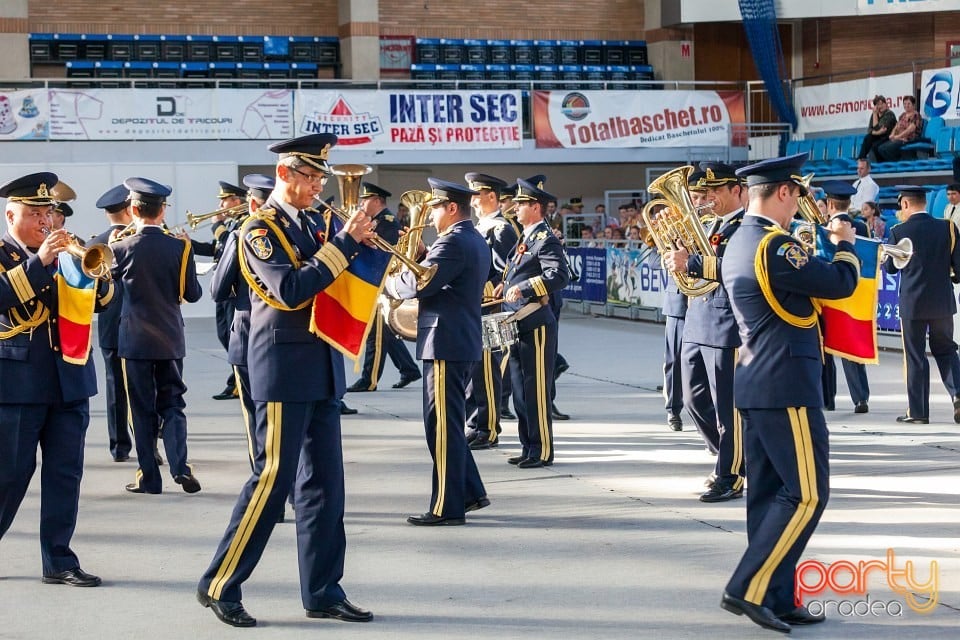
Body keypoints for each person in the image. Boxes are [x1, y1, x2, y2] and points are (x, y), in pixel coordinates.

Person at [197, 133, 376, 628]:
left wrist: (356, 244)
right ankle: (219, 583)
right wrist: (343, 245)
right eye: (310, 177)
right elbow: (289, 290)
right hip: (280, 368)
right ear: (284, 174)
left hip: (320, 365)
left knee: (325, 487)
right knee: (272, 480)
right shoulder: (258, 228)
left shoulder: (314, 223)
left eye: (322, 177)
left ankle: (323, 590)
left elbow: (334, 280)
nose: (319, 186)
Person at [719, 153, 859, 632]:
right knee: (806, 494)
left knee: (768, 495)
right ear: (783, 192)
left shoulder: (739, 240)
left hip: (757, 382)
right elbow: (839, 283)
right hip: (786, 385)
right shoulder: (776, 247)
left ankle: (776, 596)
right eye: (797, 195)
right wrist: (844, 244)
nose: (799, 204)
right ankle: (746, 587)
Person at [0, 171, 116, 588]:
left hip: (70, 378)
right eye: (34, 214)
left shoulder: (69, 251)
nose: (44, 222)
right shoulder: (4, 254)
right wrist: (39, 262)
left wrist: (94, 272)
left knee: (65, 475)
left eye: (47, 213)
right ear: (11, 215)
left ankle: (59, 560)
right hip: (17, 383)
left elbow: (103, 302)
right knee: (10, 474)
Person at [384, 178, 490, 525]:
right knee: (447, 423)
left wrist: (389, 281)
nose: (430, 217)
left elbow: (415, 286)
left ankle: (447, 507)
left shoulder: (453, 242)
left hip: (446, 341)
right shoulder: (470, 239)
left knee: (441, 426)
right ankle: (471, 491)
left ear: (452, 208)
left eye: (435, 209)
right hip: (455, 338)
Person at [110, 177, 203, 495]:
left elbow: (104, 295)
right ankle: (181, 467)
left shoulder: (118, 248)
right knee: (174, 404)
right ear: (162, 211)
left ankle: (149, 477)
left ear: (133, 209)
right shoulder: (181, 246)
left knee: (140, 408)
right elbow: (192, 294)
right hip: (170, 337)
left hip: (134, 339)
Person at [663, 162, 745, 502]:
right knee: (694, 399)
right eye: (704, 193)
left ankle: (730, 472)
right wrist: (672, 250)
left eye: (715, 192)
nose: (707, 198)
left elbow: (737, 269)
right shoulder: (707, 224)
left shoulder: (744, 227)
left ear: (736, 191)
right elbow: (682, 263)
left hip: (725, 322)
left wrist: (691, 262)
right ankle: (735, 459)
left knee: (728, 408)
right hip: (697, 318)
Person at [497, 178, 570, 468]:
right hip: (517, 321)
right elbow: (514, 270)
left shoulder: (546, 238)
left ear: (535, 207)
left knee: (535, 388)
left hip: (536, 322)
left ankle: (541, 450)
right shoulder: (526, 236)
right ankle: (528, 446)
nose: (515, 208)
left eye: (522, 203)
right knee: (519, 388)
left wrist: (526, 287)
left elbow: (559, 275)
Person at [210, 174, 272, 470]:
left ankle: (265, 485)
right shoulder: (304, 231)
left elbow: (217, 290)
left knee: (256, 421)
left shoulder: (242, 233)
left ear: (251, 202)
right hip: (290, 342)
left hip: (249, 335)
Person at [884, 185, 960, 424]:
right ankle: (958, 394)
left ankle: (917, 412)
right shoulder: (947, 227)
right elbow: (958, 269)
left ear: (905, 204)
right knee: (946, 350)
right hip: (941, 301)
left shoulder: (898, 231)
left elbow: (889, 268)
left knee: (915, 356)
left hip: (913, 303)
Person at [346, 182, 421, 393]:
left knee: (375, 334)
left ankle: (368, 379)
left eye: (365, 199)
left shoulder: (387, 222)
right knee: (385, 333)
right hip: (376, 282)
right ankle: (409, 369)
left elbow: (386, 254)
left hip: (382, 283)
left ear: (377, 201)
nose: (361, 203)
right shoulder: (377, 221)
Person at [463, 172, 517, 450]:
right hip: (478, 307)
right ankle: (476, 423)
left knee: (487, 370)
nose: (472, 201)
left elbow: (510, 269)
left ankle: (488, 428)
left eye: (476, 195)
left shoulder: (501, 229)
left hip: (493, 309)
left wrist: (499, 285)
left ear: (491, 196)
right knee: (476, 371)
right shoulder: (483, 226)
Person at [819, 181, 871, 413]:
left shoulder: (822, 228)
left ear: (829, 203)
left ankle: (827, 398)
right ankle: (860, 398)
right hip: (853, 292)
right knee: (851, 345)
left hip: (827, 292)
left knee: (825, 349)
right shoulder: (860, 226)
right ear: (849, 204)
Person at [92, 184, 133, 462]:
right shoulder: (141, 238)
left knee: (115, 386)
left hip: (108, 324)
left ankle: (119, 446)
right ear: (130, 209)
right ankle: (148, 444)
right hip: (141, 324)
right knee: (146, 387)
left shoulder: (92, 245)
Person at [208, 181, 247, 400]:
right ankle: (235, 380)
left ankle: (236, 383)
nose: (221, 204)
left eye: (225, 199)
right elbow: (216, 249)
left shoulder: (241, 222)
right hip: (223, 288)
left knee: (233, 339)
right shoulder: (231, 223)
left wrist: (217, 226)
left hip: (235, 289)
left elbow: (229, 243)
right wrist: (186, 244)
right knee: (224, 334)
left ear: (236, 201)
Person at [876, 95, 921, 162]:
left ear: (913, 105)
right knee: (880, 148)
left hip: (908, 139)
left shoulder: (916, 115)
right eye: (905, 104)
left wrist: (898, 137)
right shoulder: (902, 115)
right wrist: (892, 134)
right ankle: (896, 162)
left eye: (909, 104)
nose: (906, 105)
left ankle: (898, 163)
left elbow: (911, 129)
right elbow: (896, 126)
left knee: (888, 149)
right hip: (898, 138)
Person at [858, 95, 897, 161]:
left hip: (888, 136)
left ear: (886, 104)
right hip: (879, 136)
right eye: (878, 105)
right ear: (875, 106)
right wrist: (878, 132)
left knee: (875, 145)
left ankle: (881, 162)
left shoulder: (889, 114)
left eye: (882, 104)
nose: (880, 106)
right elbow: (870, 130)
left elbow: (877, 128)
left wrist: (875, 115)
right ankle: (861, 159)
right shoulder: (874, 114)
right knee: (868, 138)